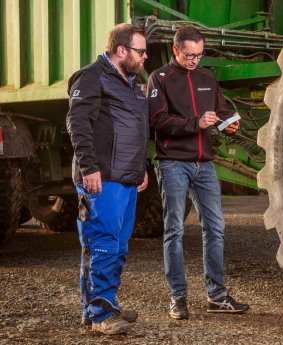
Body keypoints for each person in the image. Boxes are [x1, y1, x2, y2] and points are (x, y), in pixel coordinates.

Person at [147, 26, 249, 319]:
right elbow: (157, 121)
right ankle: (177, 297)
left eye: (199, 55)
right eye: (189, 55)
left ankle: (217, 296)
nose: (194, 61)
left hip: (204, 164)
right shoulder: (160, 78)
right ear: (176, 50)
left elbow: (221, 111)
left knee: (215, 228)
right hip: (172, 163)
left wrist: (229, 124)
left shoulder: (207, 77)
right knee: (175, 230)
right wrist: (195, 123)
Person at [66, 23, 149, 335]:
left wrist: (141, 166)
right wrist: (89, 167)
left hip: (126, 177)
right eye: (140, 51)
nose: (145, 57)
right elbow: (77, 122)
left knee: (118, 246)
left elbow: (137, 129)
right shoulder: (91, 76)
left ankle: (102, 303)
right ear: (122, 50)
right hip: (101, 178)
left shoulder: (131, 83)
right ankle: (101, 313)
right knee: (101, 244)